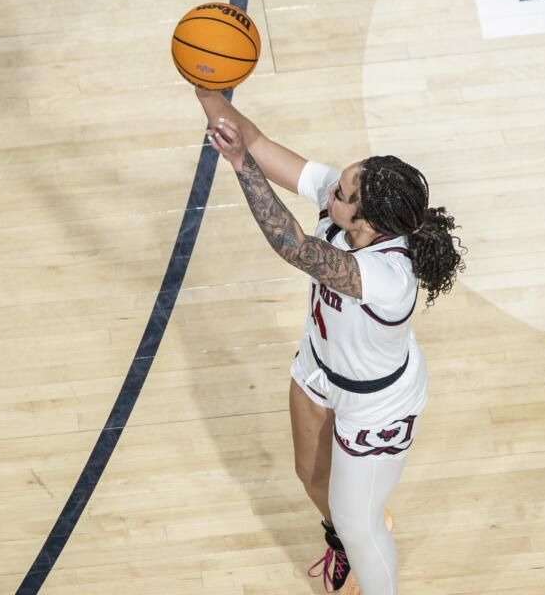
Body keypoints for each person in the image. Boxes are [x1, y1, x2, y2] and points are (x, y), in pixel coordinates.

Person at [194, 87, 465, 594]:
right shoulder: (345, 210)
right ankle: (342, 535)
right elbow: (254, 139)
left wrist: (240, 166)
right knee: (311, 476)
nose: (331, 191)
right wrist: (207, 87)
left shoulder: (390, 275)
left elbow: (295, 247)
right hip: (318, 367)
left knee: (360, 525)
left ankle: (365, 547)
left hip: (375, 405)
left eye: (341, 193)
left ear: (365, 221)